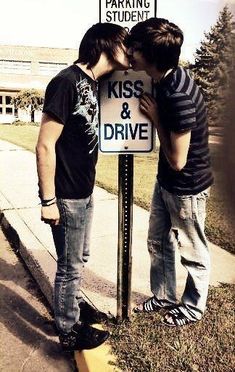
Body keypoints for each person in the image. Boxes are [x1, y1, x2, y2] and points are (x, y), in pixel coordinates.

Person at [36, 22, 129, 352]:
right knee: (70, 265)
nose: (130, 50)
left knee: (79, 256)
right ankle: (68, 329)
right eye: (125, 44)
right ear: (105, 45)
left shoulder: (95, 82)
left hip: (84, 190)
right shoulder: (65, 82)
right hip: (66, 194)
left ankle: (73, 306)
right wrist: (47, 200)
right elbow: (45, 145)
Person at [127, 18, 214, 327]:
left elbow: (178, 160)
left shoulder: (177, 94)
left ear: (148, 56)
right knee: (158, 241)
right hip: (167, 181)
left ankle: (192, 308)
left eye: (134, 48)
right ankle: (163, 295)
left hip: (186, 186)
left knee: (192, 249)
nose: (129, 52)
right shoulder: (166, 78)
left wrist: (155, 119)